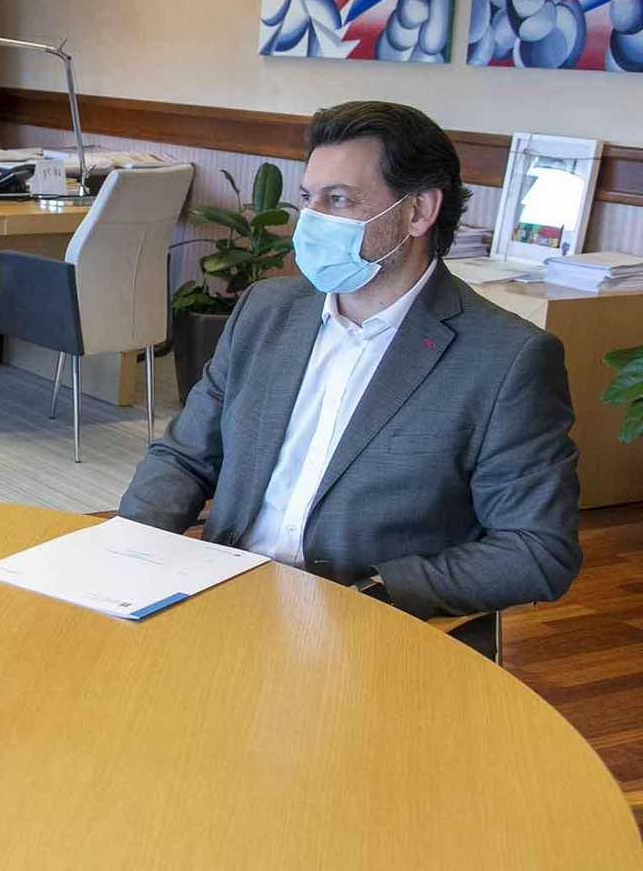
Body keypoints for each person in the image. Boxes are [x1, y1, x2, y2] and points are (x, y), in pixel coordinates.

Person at [119, 101, 580, 619]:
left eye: (339, 200)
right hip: (222, 594)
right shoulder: (266, 311)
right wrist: (127, 550)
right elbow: (185, 457)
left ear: (418, 212)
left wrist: (376, 592)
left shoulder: (506, 358)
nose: (312, 221)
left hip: (364, 622)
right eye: (308, 199)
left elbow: (537, 550)